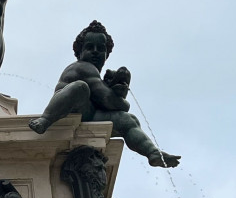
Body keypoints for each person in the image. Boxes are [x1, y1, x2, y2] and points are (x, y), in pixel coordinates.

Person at [29, 20, 180, 168]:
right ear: (79, 52)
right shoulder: (83, 67)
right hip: (66, 111)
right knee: (81, 88)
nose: (95, 51)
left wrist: (115, 89)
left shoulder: (97, 76)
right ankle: (45, 120)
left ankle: (153, 153)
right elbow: (108, 100)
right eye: (90, 47)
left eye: (100, 48)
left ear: (106, 55)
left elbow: (109, 103)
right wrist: (121, 99)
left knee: (128, 120)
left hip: (87, 114)